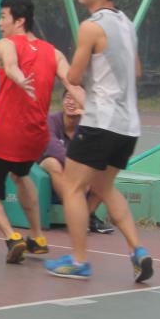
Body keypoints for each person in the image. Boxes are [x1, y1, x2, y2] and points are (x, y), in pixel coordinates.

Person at [46, 0, 153, 282]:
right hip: (128, 126)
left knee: (72, 187)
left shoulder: (91, 27)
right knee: (104, 186)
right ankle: (138, 250)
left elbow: (75, 76)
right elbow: (136, 71)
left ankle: (79, 260)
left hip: (100, 122)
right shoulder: (127, 24)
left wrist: (69, 66)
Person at [0, 0, 84, 264]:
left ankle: (12, 237)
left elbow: (10, 65)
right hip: (35, 136)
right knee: (20, 175)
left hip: (5, 133)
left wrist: (20, 79)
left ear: (19, 21)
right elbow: (73, 85)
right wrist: (94, 110)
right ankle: (38, 237)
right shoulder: (54, 52)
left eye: (3, 17)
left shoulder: (5, 44)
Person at [39, 91, 116, 234]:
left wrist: (90, 116)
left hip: (76, 175)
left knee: (104, 171)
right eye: (68, 98)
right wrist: (78, 172)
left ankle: (86, 216)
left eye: (76, 99)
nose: (71, 102)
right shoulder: (51, 121)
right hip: (48, 168)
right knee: (53, 162)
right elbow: (52, 148)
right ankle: (74, 214)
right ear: (62, 101)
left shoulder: (88, 126)